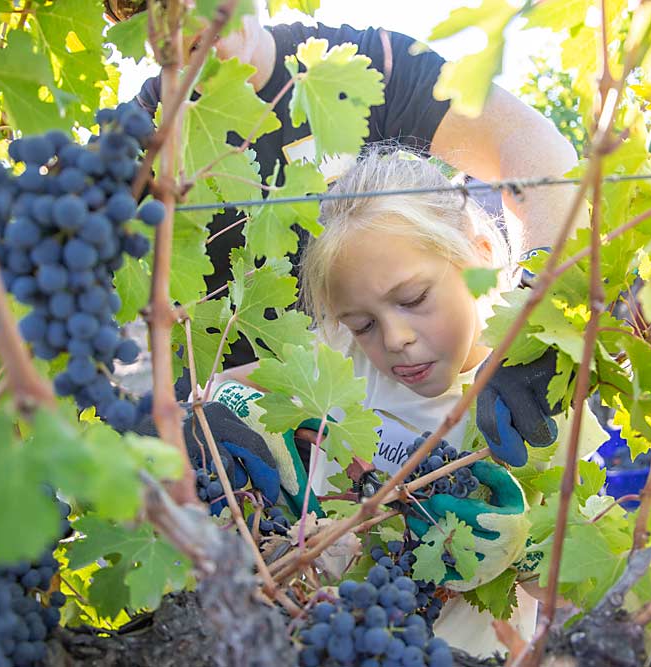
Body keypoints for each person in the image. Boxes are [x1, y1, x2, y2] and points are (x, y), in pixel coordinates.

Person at [200, 147, 606, 657]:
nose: (393, 339)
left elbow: (582, 589)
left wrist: (519, 554)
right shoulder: (343, 356)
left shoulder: (539, 402)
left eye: (413, 300)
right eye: (363, 323)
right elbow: (219, 387)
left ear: (479, 253)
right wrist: (230, 413)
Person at [105, 4, 585, 367]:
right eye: (150, 13)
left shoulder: (359, 65)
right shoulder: (139, 139)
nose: (183, 21)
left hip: (398, 407)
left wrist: (538, 303)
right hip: (234, 442)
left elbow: (531, 145)